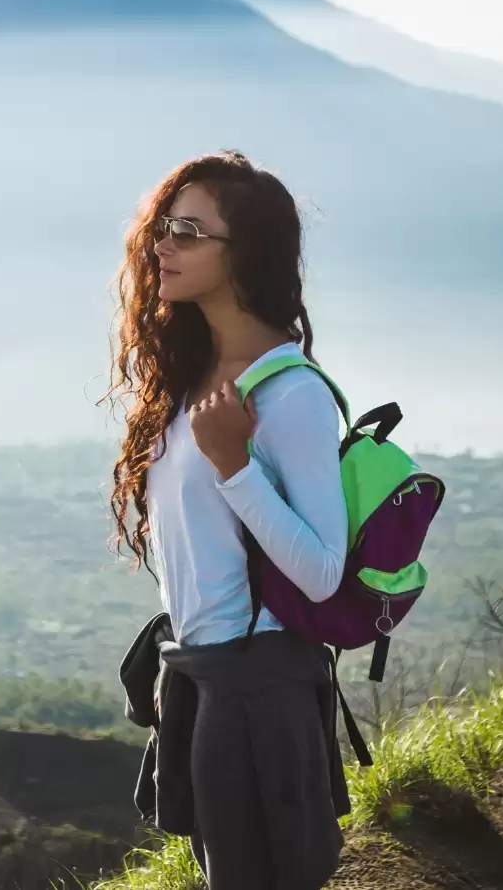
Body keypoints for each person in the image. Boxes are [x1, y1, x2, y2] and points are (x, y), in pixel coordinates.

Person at [107, 150, 348, 888]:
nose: (163, 247)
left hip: (263, 681)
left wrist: (236, 467)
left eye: (188, 231)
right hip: (206, 671)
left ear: (243, 254)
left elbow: (321, 572)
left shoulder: (291, 394)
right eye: (163, 228)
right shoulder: (190, 378)